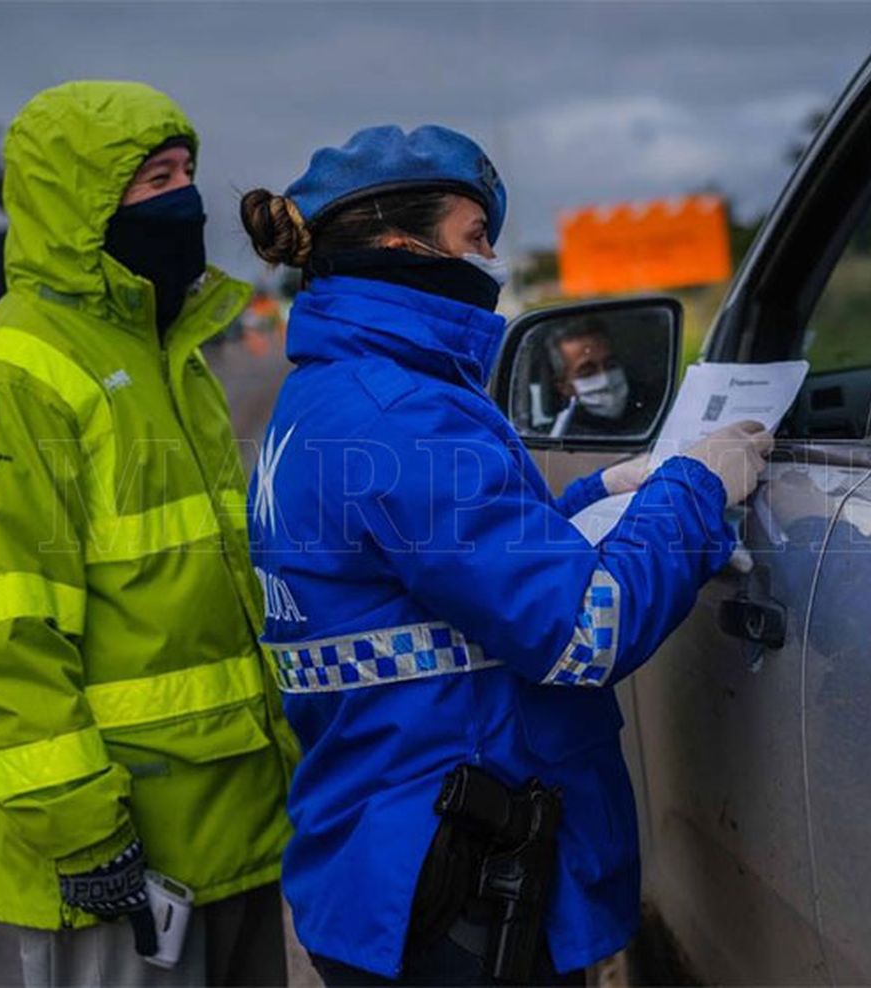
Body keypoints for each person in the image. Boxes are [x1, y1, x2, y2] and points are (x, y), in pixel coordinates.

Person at [238, 124, 772, 985]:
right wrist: (696, 493)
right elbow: (583, 630)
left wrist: (604, 497)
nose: (490, 259)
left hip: (385, 856)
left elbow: (448, 576)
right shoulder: (406, 415)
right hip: (457, 887)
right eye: (474, 235)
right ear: (394, 241)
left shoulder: (334, 396)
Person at [0, 81, 298, 987]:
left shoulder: (164, 352)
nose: (186, 197)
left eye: (188, 171)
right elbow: (5, 642)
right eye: (155, 177)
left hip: (229, 825)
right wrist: (82, 833)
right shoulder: (4, 379)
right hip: (118, 858)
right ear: (78, 200)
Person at [544, 318, 658, 437]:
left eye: (610, 365)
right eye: (588, 372)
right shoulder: (561, 435)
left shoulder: (655, 411)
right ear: (564, 387)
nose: (606, 379)